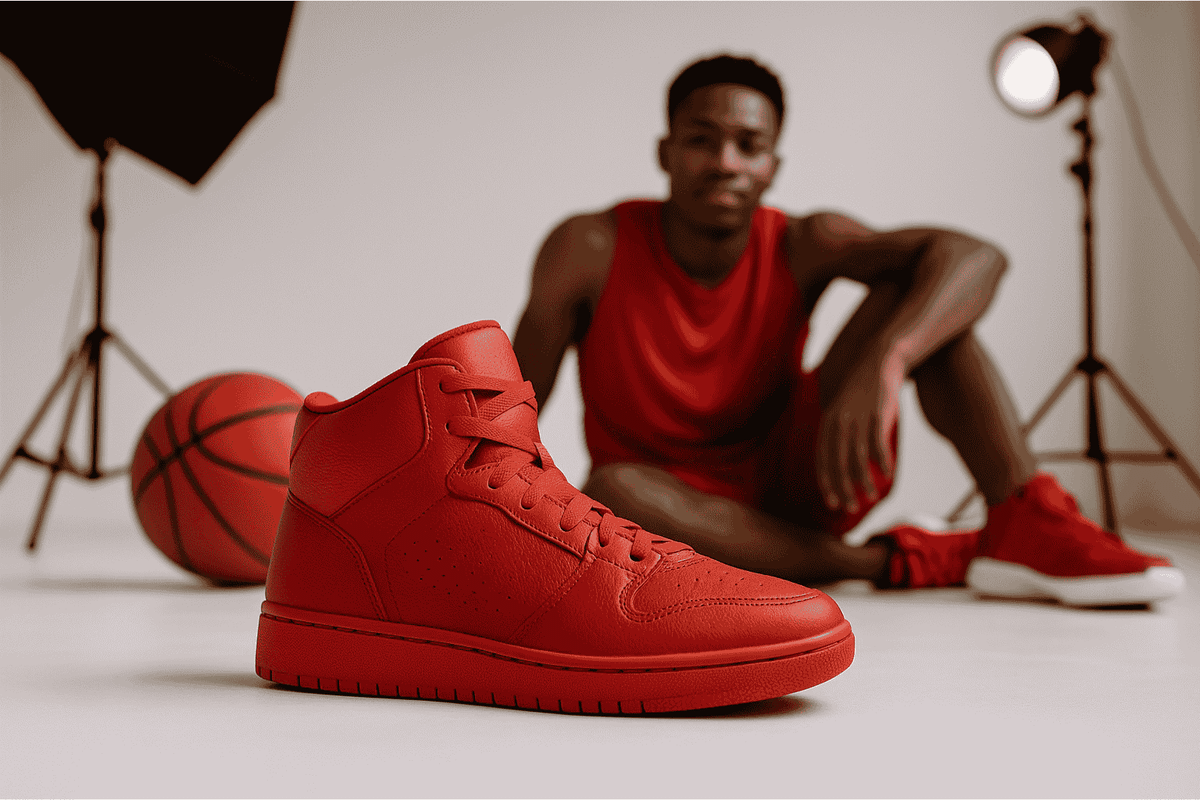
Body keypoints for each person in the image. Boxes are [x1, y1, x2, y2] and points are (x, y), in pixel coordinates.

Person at [511, 54, 1183, 604]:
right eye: (700, 140)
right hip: (664, 510)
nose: (725, 162)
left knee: (918, 292)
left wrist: (887, 358)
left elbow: (977, 256)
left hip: (805, 479)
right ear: (665, 151)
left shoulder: (802, 241)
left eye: (750, 145)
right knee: (612, 487)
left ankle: (1027, 518)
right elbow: (510, 413)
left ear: (774, 165)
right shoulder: (590, 246)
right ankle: (884, 563)